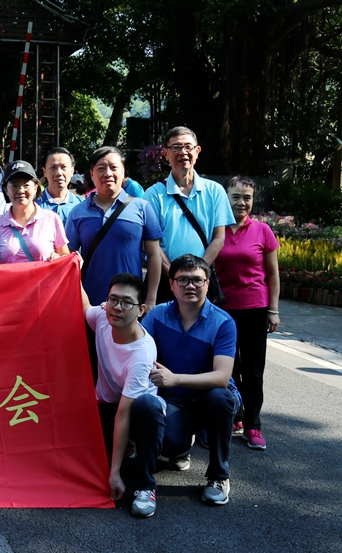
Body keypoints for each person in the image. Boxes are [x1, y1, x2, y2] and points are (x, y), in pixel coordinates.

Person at [142, 255, 240, 506]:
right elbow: (139, 355)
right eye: (183, 280)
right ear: (171, 284)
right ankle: (183, 445)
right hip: (177, 399)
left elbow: (222, 377)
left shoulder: (223, 322)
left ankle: (219, 475)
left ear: (208, 283)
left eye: (197, 280)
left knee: (220, 398)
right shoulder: (157, 315)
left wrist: (175, 379)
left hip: (212, 396)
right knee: (169, 445)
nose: (190, 286)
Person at [82, 273, 166, 518]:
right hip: (107, 405)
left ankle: (145, 485)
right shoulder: (103, 317)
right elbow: (85, 307)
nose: (117, 307)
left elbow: (124, 414)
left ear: (140, 310)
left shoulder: (141, 353)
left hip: (136, 412)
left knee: (148, 406)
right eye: (113, 299)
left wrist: (115, 473)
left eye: (126, 302)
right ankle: (125, 448)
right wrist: (73, 269)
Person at [214, 176, 280, 450]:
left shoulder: (263, 230)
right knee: (230, 368)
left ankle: (253, 424)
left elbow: (273, 274)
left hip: (255, 308)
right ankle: (236, 415)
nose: (241, 202)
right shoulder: (215, 229)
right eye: (235, 196)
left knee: (253, 370)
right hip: (223, 311)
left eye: (247, 197)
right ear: (226, 198)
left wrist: (273, 310)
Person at [144, 127, 235, 302]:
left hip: (202, 280)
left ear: (197, 151)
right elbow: (150, 243)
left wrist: (196, 275)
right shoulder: (154, 194)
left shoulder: (215, 191)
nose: (183, 152)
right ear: (165, 153)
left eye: (188, 147)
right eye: (176, 147)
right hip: (164, 279)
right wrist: (174, 277)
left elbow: (219, 238)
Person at [66, 147, 163, 310]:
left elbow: (154, 255)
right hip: (90, 304)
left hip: (130, 302)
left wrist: (151, 299)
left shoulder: (142, 208)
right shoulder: (77, 212)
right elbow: (69, 259)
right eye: (101, 168)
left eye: (114, 167)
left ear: (123, 171)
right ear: (92, 174)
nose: (108, 173)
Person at [0, 161, 68, 264]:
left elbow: (65, 256)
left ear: (35, 188)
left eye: (26, 185)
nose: (20, 190)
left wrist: (58, 258)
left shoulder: (51, 219)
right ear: (5, 190)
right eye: (14, 185)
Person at [36, 147, 83, 221]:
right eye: (53, 167)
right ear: (44, 172)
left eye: (63, 167)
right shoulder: (33, 205)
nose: (59, 173)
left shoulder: (82, 205)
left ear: (72, 171)